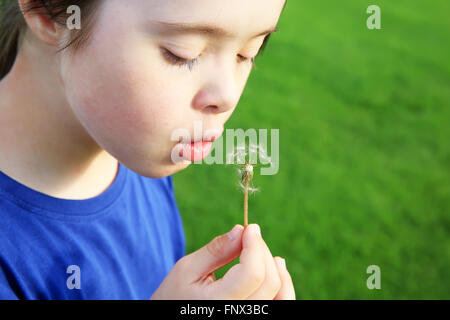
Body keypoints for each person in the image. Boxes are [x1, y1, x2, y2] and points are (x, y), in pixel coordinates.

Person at [0, 0, 294, 299]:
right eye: (182, 53)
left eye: (247, 53)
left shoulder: (135, 155)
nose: (227, 95)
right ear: (47, 11)